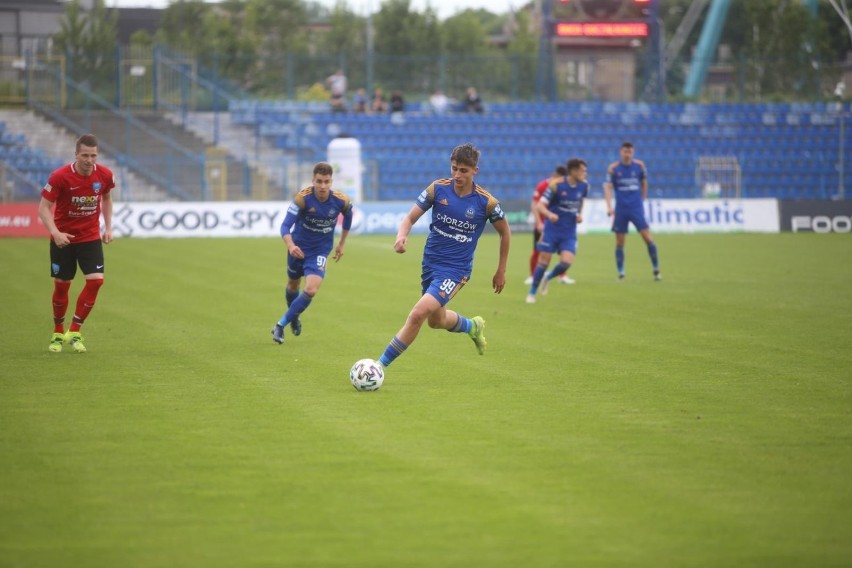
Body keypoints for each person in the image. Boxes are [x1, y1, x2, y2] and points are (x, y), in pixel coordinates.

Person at [376, 143, 510, 370]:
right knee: (436, 321)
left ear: (475, 170)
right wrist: (401, 236)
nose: (457, 175)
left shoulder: (487, 203)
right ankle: (472, 326)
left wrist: (501, 270)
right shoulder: (437, 189)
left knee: (417, 314)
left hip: (455, 271)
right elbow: (409, 219)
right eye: (454, 168)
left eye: (464, 170)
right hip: (430, 265)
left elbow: (505, 232)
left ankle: (378, 366)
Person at [37, 133, 114, 353]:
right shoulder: (60, 176)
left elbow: (107, 198)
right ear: (76, 155)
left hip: (89, 237)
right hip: (63, 240)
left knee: (96, 281)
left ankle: (75, 330)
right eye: (85, 155)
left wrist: (108, 228)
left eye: (93, 155)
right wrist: (56, 232)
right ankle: (58, 332)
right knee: (62, 285)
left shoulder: (105, 175)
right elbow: (43, 208)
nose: (90, 160)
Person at [271, 162, 353, 344]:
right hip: (298, 248)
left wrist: (342, 243)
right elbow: (285, 226)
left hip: (320, 251)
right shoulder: (302, 199)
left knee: (311, 289)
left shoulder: (341, 201)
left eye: (326, 181)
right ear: (313, 180)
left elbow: (348, 215)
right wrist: (291, 246)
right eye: (319, 181)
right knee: (293, 286)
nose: (323, 186)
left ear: (331, 181)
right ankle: (294, 316)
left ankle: (280, 325)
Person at [526, 158, 589, 304]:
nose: (584, 173)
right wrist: (549, 215)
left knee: (566, 262)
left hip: (569, 232)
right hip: (552, 230)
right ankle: (532, 292)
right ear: (573, 171)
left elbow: (581, 201)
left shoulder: (584, 186)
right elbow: (540, 206)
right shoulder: (556, 186)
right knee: (543, 262)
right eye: (582, 170)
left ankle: (548, 277)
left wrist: (579, 214)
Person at [604, 141, 660, 280]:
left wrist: (642, 200)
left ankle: (656, 269)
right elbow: (608, 187)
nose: (627, 154)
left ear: (633, 152)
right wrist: (609, 207)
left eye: (630, 152)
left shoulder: (639, 166)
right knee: (620, 242)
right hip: (621, 209)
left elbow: (644, 183)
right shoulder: (613, 168)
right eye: (625, 151)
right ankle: (621, 272)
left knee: (647, 237)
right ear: (620, 152)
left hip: (636, 208)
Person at [525, 165, 571, 285]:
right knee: (537, 250)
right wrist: (539, 222)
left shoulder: (563, 187)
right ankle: (532, 276)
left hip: (558, 224)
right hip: (542, 225)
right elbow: (534, 205)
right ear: (554, 176)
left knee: (563, 250)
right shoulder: (542, 186)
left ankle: (563, 276)